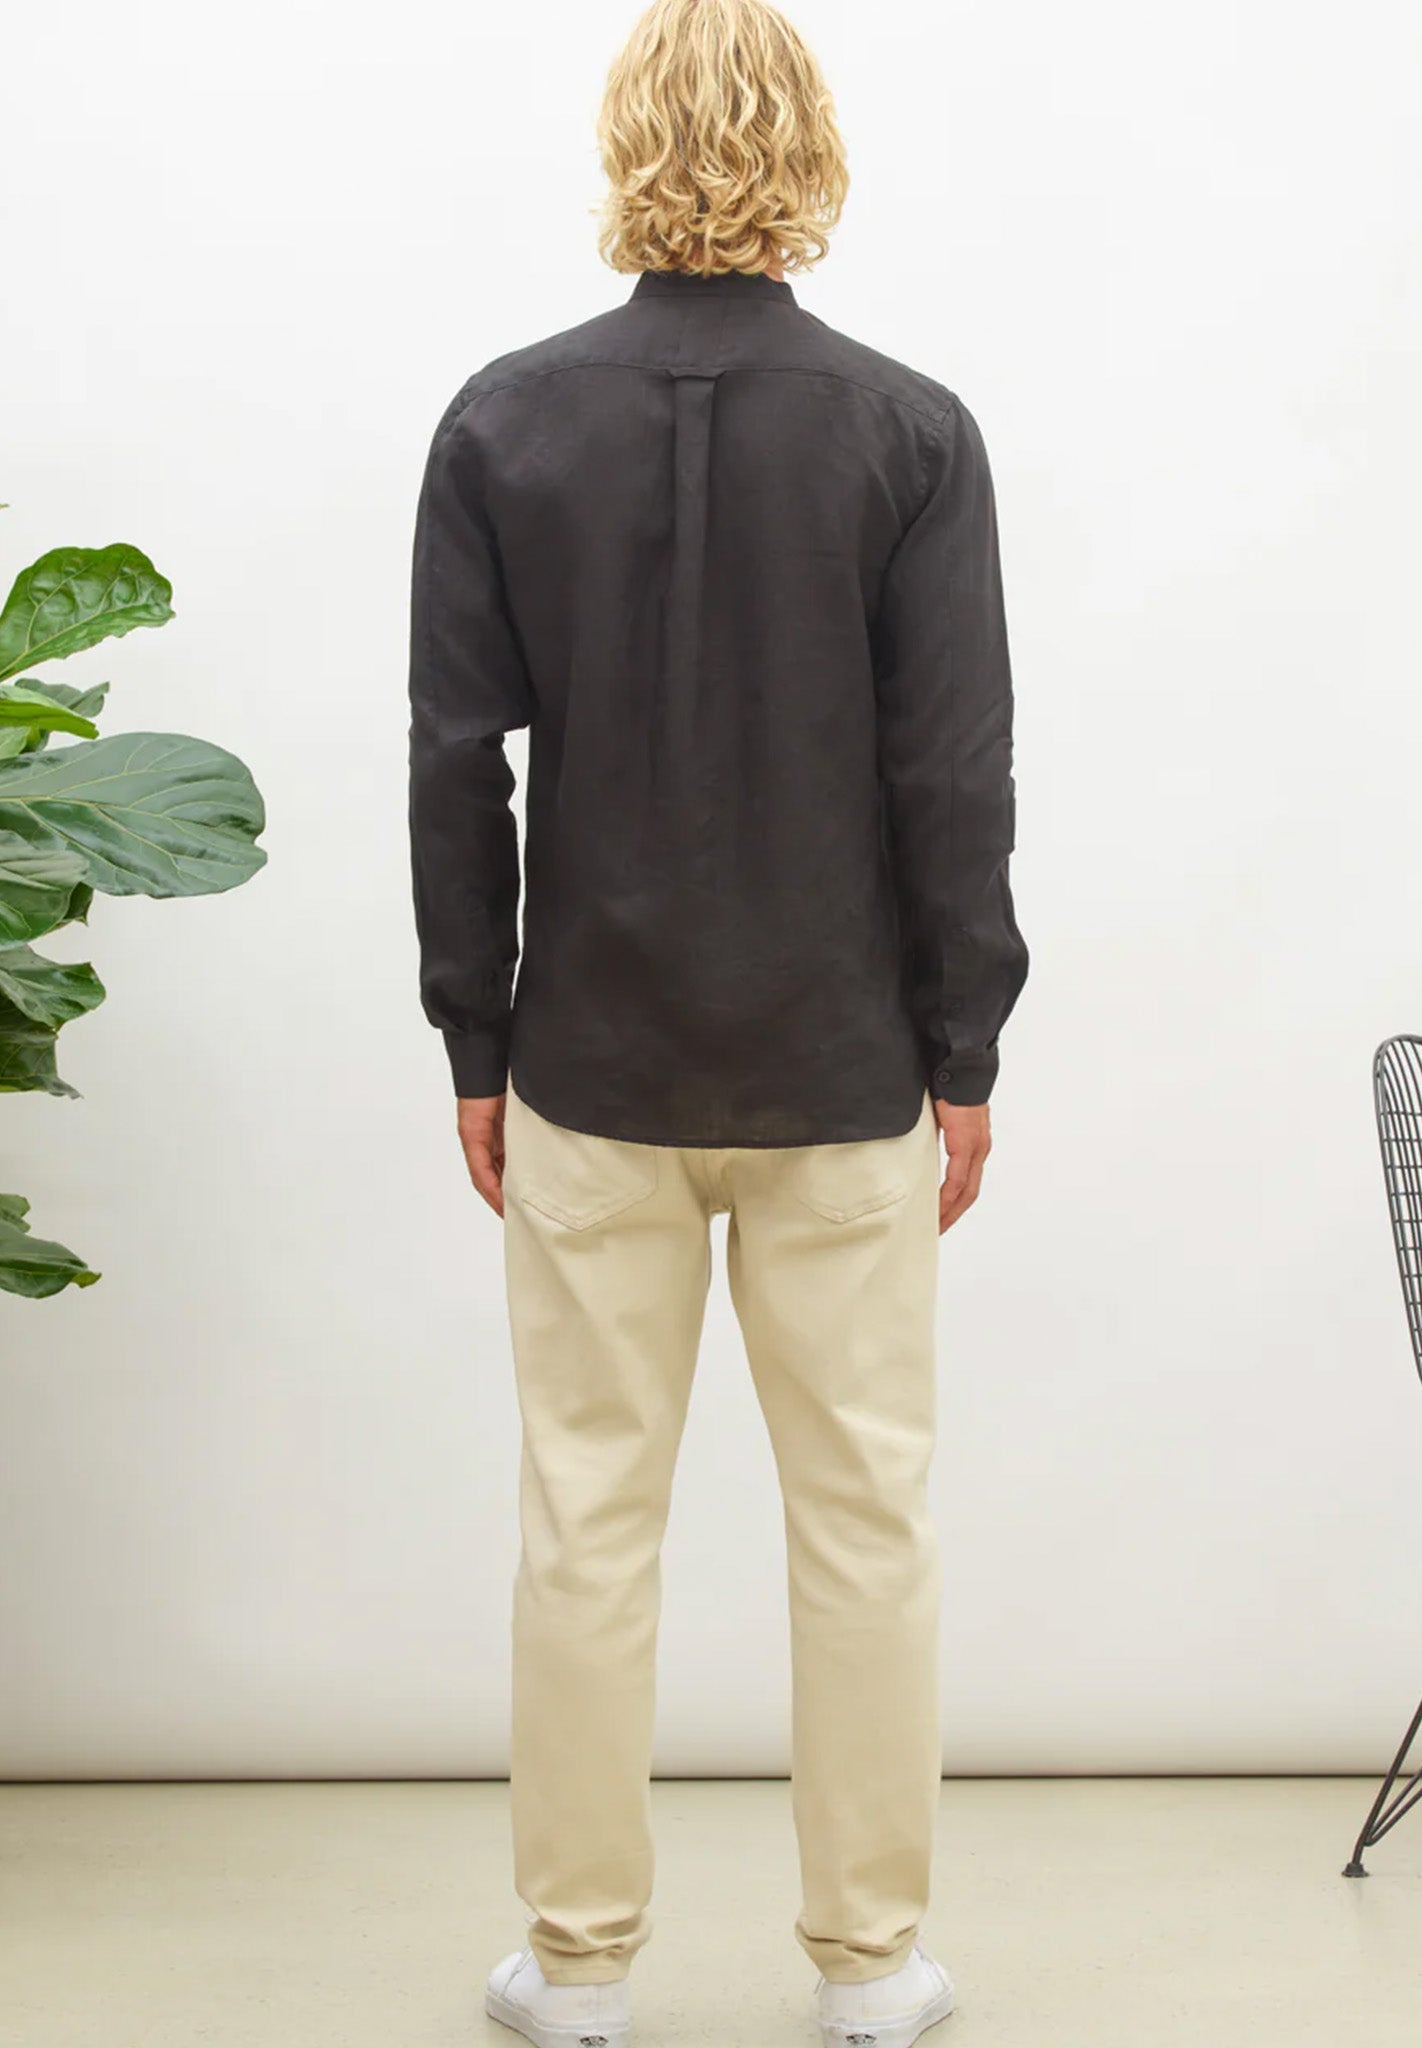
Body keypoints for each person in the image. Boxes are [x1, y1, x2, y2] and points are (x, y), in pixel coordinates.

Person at [407, 1, 1027, 2041]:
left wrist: (476, 1043)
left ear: (625, 146)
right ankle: (871, 1969)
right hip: (844, 1072)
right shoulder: (910, 433)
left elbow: (454, 763)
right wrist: (964, 1050)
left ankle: (579, 1972)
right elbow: (951, 774)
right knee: (866, 1521)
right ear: (811, 152)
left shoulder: (501, 423)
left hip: (588, 1070)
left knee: (584, 1521)